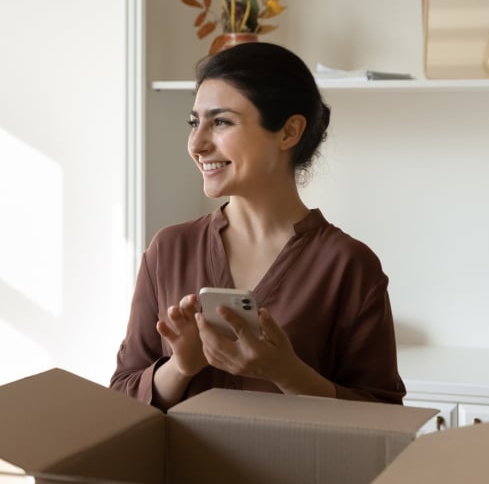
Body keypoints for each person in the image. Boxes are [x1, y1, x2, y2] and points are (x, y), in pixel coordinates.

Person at [109, 42, 406, 411]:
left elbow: (384, 418)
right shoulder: (169, 249)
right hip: (179, 471)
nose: (197, 144)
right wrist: (180, 367)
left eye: (220, 122)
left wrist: (287, 373)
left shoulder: (349, 265)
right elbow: (121, 397)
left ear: (288, 132)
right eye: (194, 122)